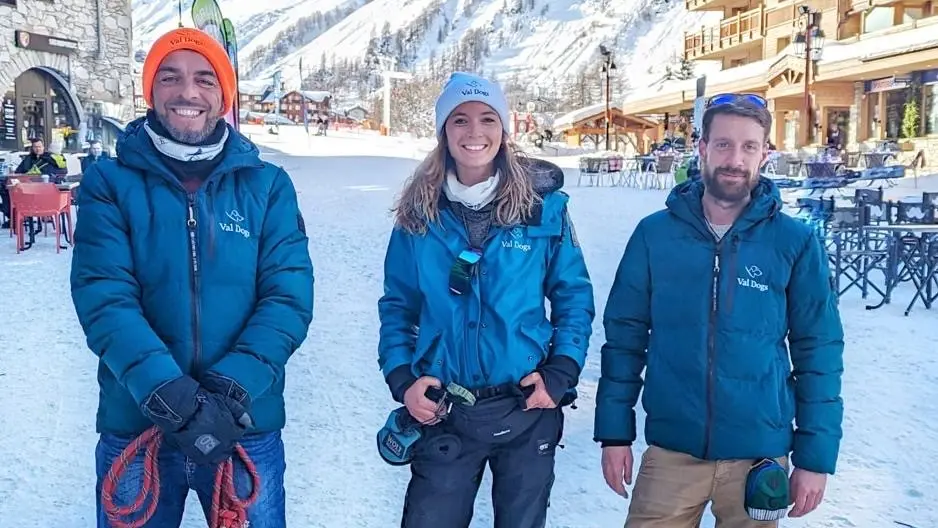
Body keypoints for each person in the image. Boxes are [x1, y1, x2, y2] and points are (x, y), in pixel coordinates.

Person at [69, 27, 314, 528]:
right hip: (139, 422)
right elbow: (105, 297)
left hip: (243, 425)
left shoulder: (267, 186)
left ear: (223, 96)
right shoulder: (109, 183)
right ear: (150, 90)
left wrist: (229, 390)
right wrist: (170, 394)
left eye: (205, 79)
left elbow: (287, 297)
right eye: (170, 77)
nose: (188, 93)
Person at [594, 93, 844, 527]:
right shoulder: (655, 236)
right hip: (672, 452)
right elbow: (624, 339)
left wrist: (815, 458)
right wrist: (615, 432)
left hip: (759, 457)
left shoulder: (794, 242)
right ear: (702, 148)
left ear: (765, 154)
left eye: (749, 146)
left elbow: (819, 352)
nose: (735, 158)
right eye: (723, 144)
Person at [377, 71, 595, 528]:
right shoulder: (418, 212)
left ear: (504, 128)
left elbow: (573, 294)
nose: (474, 133)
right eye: (459, 119)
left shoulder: (544, 208)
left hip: (526, 408)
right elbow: (399, 304)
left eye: (487, 119)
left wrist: (561, 371)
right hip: (445, 410)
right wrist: (402, 378)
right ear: (443, 131)